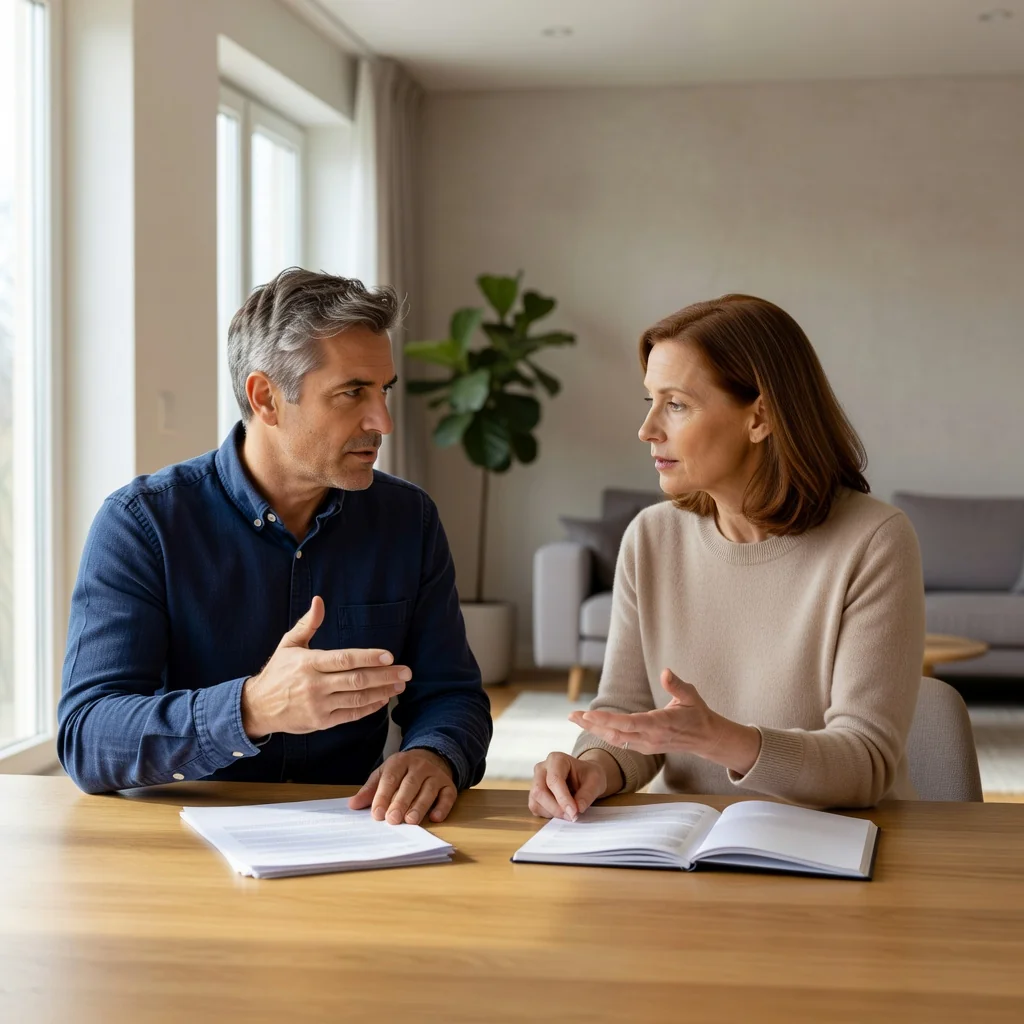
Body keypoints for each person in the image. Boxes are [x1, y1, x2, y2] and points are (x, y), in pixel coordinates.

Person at [58, 268, 492, 826]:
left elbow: (452, 694)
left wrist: (435, 754)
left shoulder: (408, 520)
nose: (382, 419)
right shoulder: (143, 525)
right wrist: (251, 708)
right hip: (181, 843)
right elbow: (88, 737)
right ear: (266, 398)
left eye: (383, 390)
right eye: (352, 392)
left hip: (354, 835)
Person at [529, 294, 924, 821]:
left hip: (842, 850)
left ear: (759, 416)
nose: (647, 429)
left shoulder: (874, 540)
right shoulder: (651, 537)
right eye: (649, 401)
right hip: (689, 847)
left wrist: (721, 739)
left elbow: (865, 763)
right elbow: (626, 712)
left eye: (676, 404)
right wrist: (594, 766)